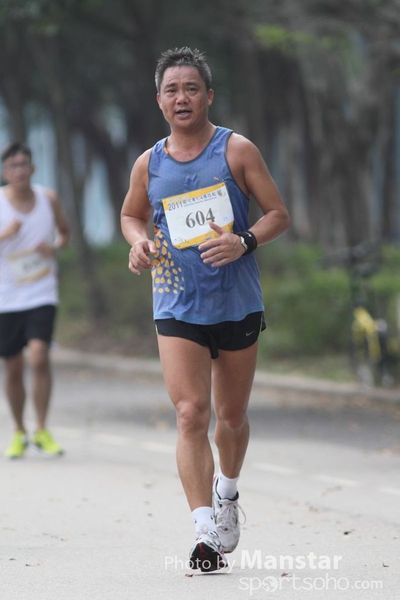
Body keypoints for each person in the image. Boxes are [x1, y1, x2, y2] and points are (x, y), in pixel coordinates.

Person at [121, 47, 290, 572]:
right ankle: (204, 533)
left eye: (191, 88)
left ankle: (228, 493)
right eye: (172, 90)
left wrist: (244, 241)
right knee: (191, 412)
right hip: (176, 299)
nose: (182, 98)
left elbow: (278, 214)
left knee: (231, 419)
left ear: (208, 96)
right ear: (159, 101)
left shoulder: (236, 150)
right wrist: (138, 242)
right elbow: (131, 215)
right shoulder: (149, 163)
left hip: (236, 301)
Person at [0, 142, 70, 459]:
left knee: (39, 357)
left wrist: (54, 247)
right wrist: (6, 234)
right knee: (13, 366)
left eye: (23, 164)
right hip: (6, 296)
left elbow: (65, 233)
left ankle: (41, 429)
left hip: (42, 292)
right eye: (13, 166)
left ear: (33, 168)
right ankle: (19, 430)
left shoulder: (48, 198)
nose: (19, 171)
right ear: (5, 172)